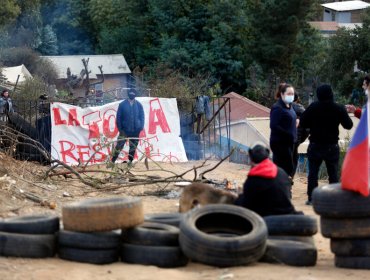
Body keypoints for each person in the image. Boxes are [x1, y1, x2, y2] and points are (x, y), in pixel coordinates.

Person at [300, 84, 353, 205]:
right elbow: (348, 125)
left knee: (313, 173)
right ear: (331, 93)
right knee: (333, 174)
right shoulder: (338, 108)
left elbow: (302, 122)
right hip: (331, 146)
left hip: (315, 144)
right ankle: (334, 199)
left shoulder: (313, 107)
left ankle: (312, 199)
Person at [234, 142, 297, 217]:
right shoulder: (281, 172)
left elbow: (246, 204)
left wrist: (237, 199)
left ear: (251, 158)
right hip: (289, 215)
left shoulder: (253, 179)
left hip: (269, 220)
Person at [270, 83, 297, 178]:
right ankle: (279, 188)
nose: (291, 96)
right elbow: (274, 125)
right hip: (280, 143)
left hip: (290, 142)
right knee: (282, 169)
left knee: (289, 168)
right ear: (282, 94)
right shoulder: (277, 107)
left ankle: (286, 186)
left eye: (292, 94)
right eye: (289, 93)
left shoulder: (290, 106)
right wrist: (288, 134)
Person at [111, 90, 145, 164]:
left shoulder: (139, 105)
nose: (132, 95)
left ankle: (130, 161)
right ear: (128, 94)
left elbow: (142, 116)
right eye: (131, 93)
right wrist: (120, 129)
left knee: (133, 146)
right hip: (124, 130)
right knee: (119, 146)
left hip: (136, 130)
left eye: (133, 93)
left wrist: (141, 127)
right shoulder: (122, 104)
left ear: (135, 95)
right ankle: (112, 161)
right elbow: (118, 118)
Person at [291, 93, 309, 177]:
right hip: (295, 139)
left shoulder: (281, 107)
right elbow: (307, 128)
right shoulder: (302, 110)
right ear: (297, 98)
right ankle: (290, 179)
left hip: (283, 139)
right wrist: (301, 139)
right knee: (294, 159)